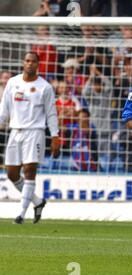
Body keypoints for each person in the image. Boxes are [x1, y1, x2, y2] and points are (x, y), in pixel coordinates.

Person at [0, 52, 60, 224]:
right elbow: (4, 109)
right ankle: (38, 202)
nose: (30, 64)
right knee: (11, 173)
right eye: (27, 60)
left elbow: (51, 114)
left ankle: (20, 214)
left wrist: (55, 136)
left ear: (38, 64)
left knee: (29, 171)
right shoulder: (13, 82)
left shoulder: (45, 87)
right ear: (23, 62)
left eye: (33, 61)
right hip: (15, 131)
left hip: (35, 132)